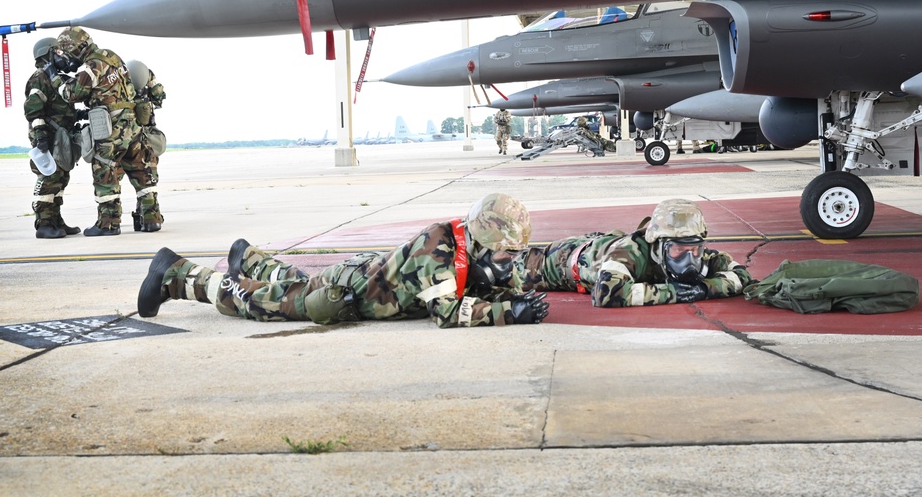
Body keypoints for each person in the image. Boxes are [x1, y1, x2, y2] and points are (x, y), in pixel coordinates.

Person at [137, 193, 550, 328]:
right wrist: (507, 311)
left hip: (365, 274)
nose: (507, 259)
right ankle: (177, 274)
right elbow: (446, 313)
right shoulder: (437, 251)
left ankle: (251, 257)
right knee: (260, 302)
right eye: (504, 250)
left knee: (295, 284)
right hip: (351, 289)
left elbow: (471, 281)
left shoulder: (461, 241)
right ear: (486, 237)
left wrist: (509, 286)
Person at [509, 198, 755, 307]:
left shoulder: (696, 253)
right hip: (551, 266)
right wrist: (675, 293)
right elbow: (606, 295)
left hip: (601, 246)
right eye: (678, 249)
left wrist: (702, 289)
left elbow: (740, 276)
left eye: (695, 248)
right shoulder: (631, 252)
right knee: (498, 271)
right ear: (658, 246)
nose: (689, 258)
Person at [43, 26, 157, 236]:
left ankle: (109, 224)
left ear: (76, 49)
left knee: (105, 172)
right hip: (133, 125)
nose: (69, 59)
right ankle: (151, 219)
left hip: (112, 128)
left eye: (68, 54)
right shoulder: (112, 56)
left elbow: (70, 94)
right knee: (141, 171)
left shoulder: (91, 66)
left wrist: (53, 76)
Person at [23, 38, 81, 239]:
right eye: (57, 50)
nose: (61, 54)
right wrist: (40, 137)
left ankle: (56, 219)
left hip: (61, 136)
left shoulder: (55, 77)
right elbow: (33, 108)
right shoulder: (40, 78)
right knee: (49, 178)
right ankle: (44, 224)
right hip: (48, 136)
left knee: (61, 179)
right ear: (47, 54)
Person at [126, 60, 167, 232]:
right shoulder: (147, 81)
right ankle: (151, 219)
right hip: (147, 137)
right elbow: (159, 97)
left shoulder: (121, 82)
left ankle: (108, 220)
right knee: (146, 180)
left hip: (123, 137)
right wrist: (151, 79)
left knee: (111, 180)